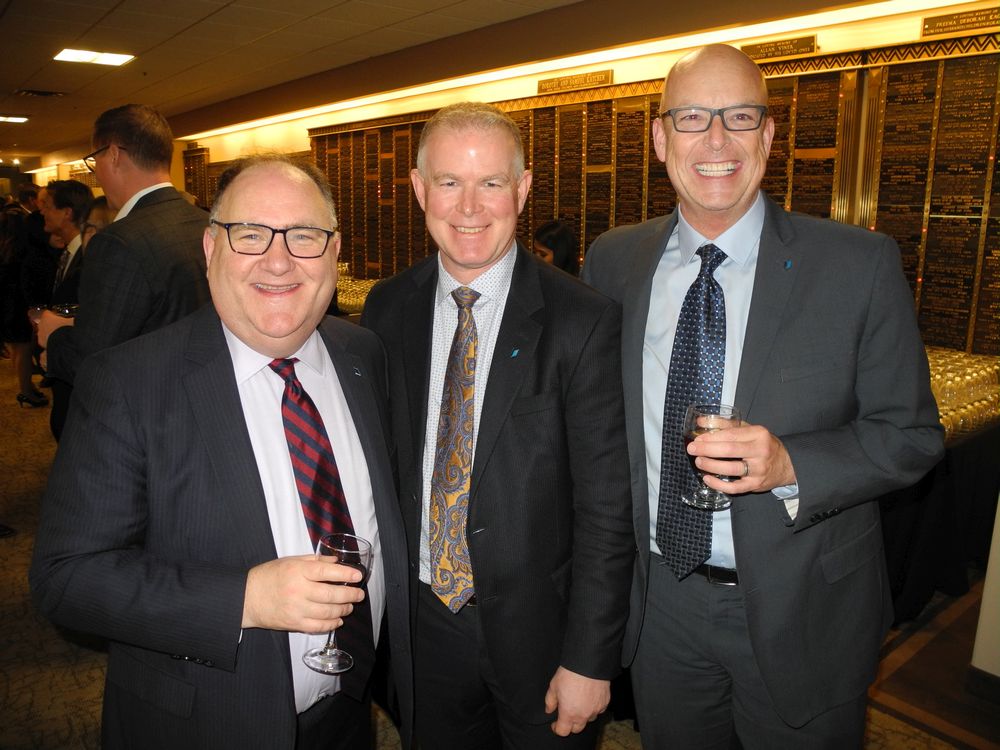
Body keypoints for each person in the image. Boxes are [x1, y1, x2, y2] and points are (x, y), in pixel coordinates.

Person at [582, 44, 944, 748]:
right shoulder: (613, 261)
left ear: (768, 136)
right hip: (661, 606)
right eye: (692, 118)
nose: (716, 140)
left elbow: (912, 434)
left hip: (805, 606)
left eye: (740, 117)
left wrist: (790, 466)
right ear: (660, 139)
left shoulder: (857, 264)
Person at [30, 155, 413, 749]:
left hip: (347, 715)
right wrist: (245, 599)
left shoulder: (363, 355)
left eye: (304, 236)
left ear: (334, 251)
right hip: (206, 724)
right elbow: (66, 578)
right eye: (250, 234)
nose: (279, 260)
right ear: (211, 249)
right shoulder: (129, 382)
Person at [361, 102, 633, 750]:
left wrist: (590, 658)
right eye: (449, 182)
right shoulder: (387, 308)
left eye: (491, 183)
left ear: (524, 189)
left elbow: (606, 506)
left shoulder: (582, 320)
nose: (470, 207)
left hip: (542, 637)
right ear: (420, 189)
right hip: (424, 625)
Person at [36, 103, 210, 413]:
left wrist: (55, 334)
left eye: (95, 160)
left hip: (145, 409)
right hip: (200, 395)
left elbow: (92, 361)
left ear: (114, 154)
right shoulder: (205, 222)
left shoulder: (117, 241)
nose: (98, 174)